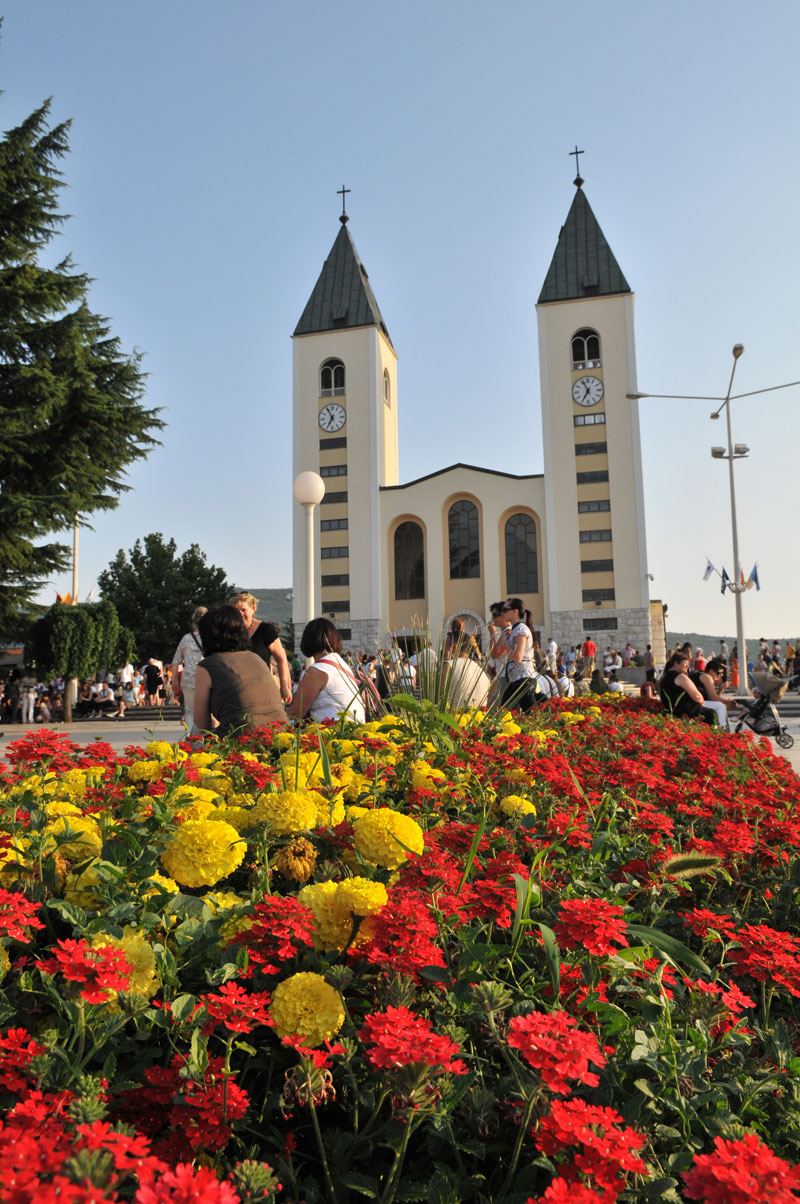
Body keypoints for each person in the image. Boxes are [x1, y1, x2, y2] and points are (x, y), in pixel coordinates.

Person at [194, 605, 287, 737]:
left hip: (243, 737)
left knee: (194, 737)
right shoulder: (256, 658)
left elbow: (201, 723)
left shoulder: (207, 666)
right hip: (281, 733)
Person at [287, 619, 366, 724]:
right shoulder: (342, 665)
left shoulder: (318, 670)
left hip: (333, 732)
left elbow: (296, 713)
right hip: (354, 728)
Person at [230, 592, 292, 704]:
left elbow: (281, 658)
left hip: (263, 689)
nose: (240, 614)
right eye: (236, 611)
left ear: (253, 608)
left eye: (244, 610)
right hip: (239, 691)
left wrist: (284, 686)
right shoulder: (231, 633)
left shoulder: (266, 630)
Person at [488, 598, 538, 711]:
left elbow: (517, 657)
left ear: (515, 611)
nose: (502, 613)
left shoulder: (520, 629)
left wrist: (505, 644)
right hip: (514, 679)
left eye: (505, 610)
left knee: (533, 713)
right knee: (506, 713)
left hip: (523, 679)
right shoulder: (516, 629)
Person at [171, 606, 208, 732]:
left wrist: (174, 680)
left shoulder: (186, 638)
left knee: (190, 711)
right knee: (208, 709)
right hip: (207, 679)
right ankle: (206, 739)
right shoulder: (212, 637)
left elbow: (176, 661)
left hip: (189, 680)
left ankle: (191, 739)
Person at [440, 625, 491, 710]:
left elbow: (437, 698)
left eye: (445, 646)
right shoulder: (481, 672)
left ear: (453, 647)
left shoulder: (447, 665)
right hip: (479, 720)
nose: (443, 650)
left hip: (454, 720)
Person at [658, 651, 715, 725]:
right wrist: (702, 702)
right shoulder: (680, 676)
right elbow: (696, 695)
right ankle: (713, 734)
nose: (687, 666)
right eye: (685, 664)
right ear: (676, 663)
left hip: (670, 708)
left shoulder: (665, 676)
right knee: (711, 713)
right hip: (683, 710)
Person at [689, 657, 738, 729]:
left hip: (695, 702)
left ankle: (721, 726)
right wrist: (727, 702)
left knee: (721, 705)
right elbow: (712, 697)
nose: (720, 675)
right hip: (693, 703)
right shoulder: (707, 677)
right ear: (711, 671)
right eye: (719, 673)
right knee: (720, 706)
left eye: (722, 674)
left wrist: (721, 690)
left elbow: (712, 698)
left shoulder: (702, 675)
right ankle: (722, 728)